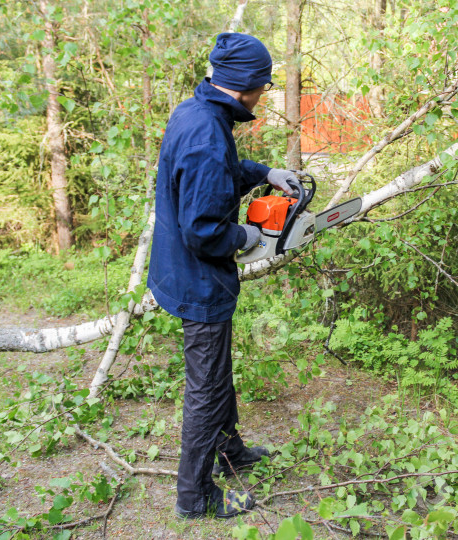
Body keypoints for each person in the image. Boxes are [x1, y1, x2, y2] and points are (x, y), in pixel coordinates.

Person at [147, 32, 301, 520]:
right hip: (199, 278)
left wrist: (265, 172)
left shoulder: (197, 112)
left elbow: (219, 172)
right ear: (247, 87)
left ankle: (230, 450)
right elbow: (203, 230)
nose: (263, 93)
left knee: (218, 373)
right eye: (262, 86)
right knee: (207, 387)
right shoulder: (209, 133)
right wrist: (244, 238)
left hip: (184, 270)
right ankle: (194, 497)